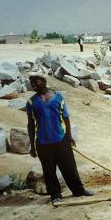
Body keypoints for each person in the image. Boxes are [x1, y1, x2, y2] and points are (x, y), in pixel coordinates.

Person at [26, 73, 93, 204]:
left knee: (69, 167)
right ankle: (55, 195)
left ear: (44, 81)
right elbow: (30, 124)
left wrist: (69, 136)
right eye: (31, 81)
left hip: (61, 140)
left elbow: (66, 118)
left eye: (35, 81)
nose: (33, 84)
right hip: (43, 143)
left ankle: (78, 191)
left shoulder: (58, 97)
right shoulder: (31, 102)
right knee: (49, 171)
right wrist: (33, 146)